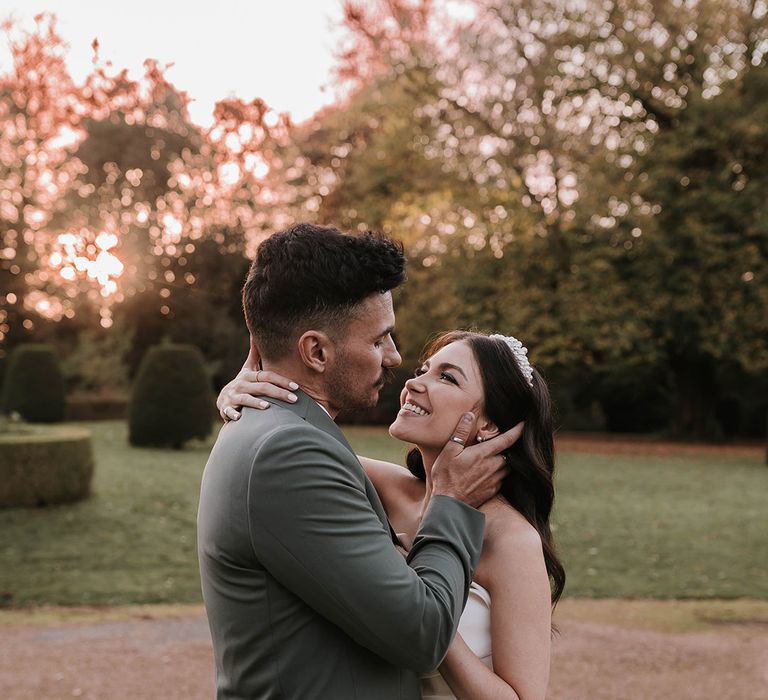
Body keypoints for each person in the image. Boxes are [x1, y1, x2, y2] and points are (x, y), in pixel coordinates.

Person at [197, 223, 522, 700]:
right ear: (316, 351)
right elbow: (423, 636)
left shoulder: (272, 431)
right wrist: (452, 500)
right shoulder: (291, 453)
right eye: (377, 341)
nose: (394, 358)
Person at [219, 329, 565, 700]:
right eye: (424, 369)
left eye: (446, 377)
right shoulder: (388, 488)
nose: (415, 382)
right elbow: (286, 445)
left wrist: (427, 616)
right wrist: (239, 393)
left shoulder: (512, 540)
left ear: (489, 425)